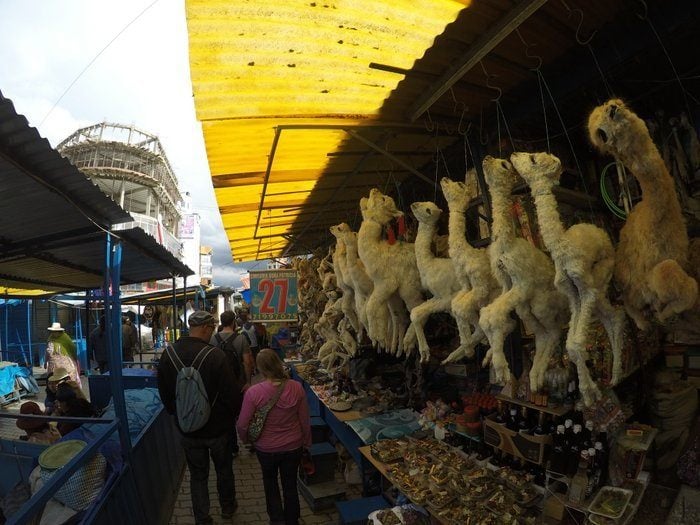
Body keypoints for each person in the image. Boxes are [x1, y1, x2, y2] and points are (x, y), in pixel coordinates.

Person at [158, 310, 241, 524]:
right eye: (211, 329)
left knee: (198, 475)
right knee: (223, 470)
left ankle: (202, 517)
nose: (212, 333)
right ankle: (228, 508)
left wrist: (179, 416)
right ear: (205, 328)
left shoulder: (169, 355)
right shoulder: (216, 356)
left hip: (188, 430)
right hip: (217, 430)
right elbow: (231, 395)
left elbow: (165, 394)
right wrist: (230, 420)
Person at [236, 349, 311, 525]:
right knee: (290, 485)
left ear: (260, 368)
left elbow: (242, 424)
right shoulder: (296, 387)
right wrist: (307, 444)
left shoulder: (253, 393)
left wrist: (246, 440)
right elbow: (305, 420)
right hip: (293, 446)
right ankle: (292, 520)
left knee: (270, 486)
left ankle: (276, 520)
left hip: (266, 449)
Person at [210, 310, 253, 457]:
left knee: (227, 415)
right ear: (233, 322)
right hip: (239, 383)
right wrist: (248, 382)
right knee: (244, 413)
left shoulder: (213, 339)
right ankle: (250, 442)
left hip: (221, 384)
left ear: (222, 322)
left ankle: (232, 447)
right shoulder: (241, 339)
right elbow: (247, 362)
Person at [45, 322, 80, 387]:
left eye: (56, 331)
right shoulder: (50, 339)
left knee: (68, 381)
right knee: (54, 382)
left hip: (65, 364)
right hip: (53, 366)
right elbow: (47, 352)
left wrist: (75, 360)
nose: (54, 333)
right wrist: (45, 362)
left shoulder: (65, 338)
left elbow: (73, 348)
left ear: (59, 331)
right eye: (52, 332)